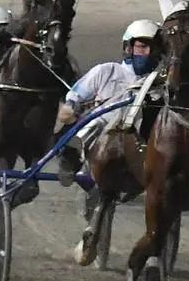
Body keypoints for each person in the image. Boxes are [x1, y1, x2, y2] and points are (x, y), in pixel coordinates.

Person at [54, 19, 161, 178]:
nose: (148, 53)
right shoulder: (107, 71)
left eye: (154, 48)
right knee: (96, 123)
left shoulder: (158, 82)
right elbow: (76, 95)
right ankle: (72, 157)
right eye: (143, 46)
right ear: (128, 48)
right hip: (103, 128)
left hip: (139, 133)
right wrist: (72, 104)